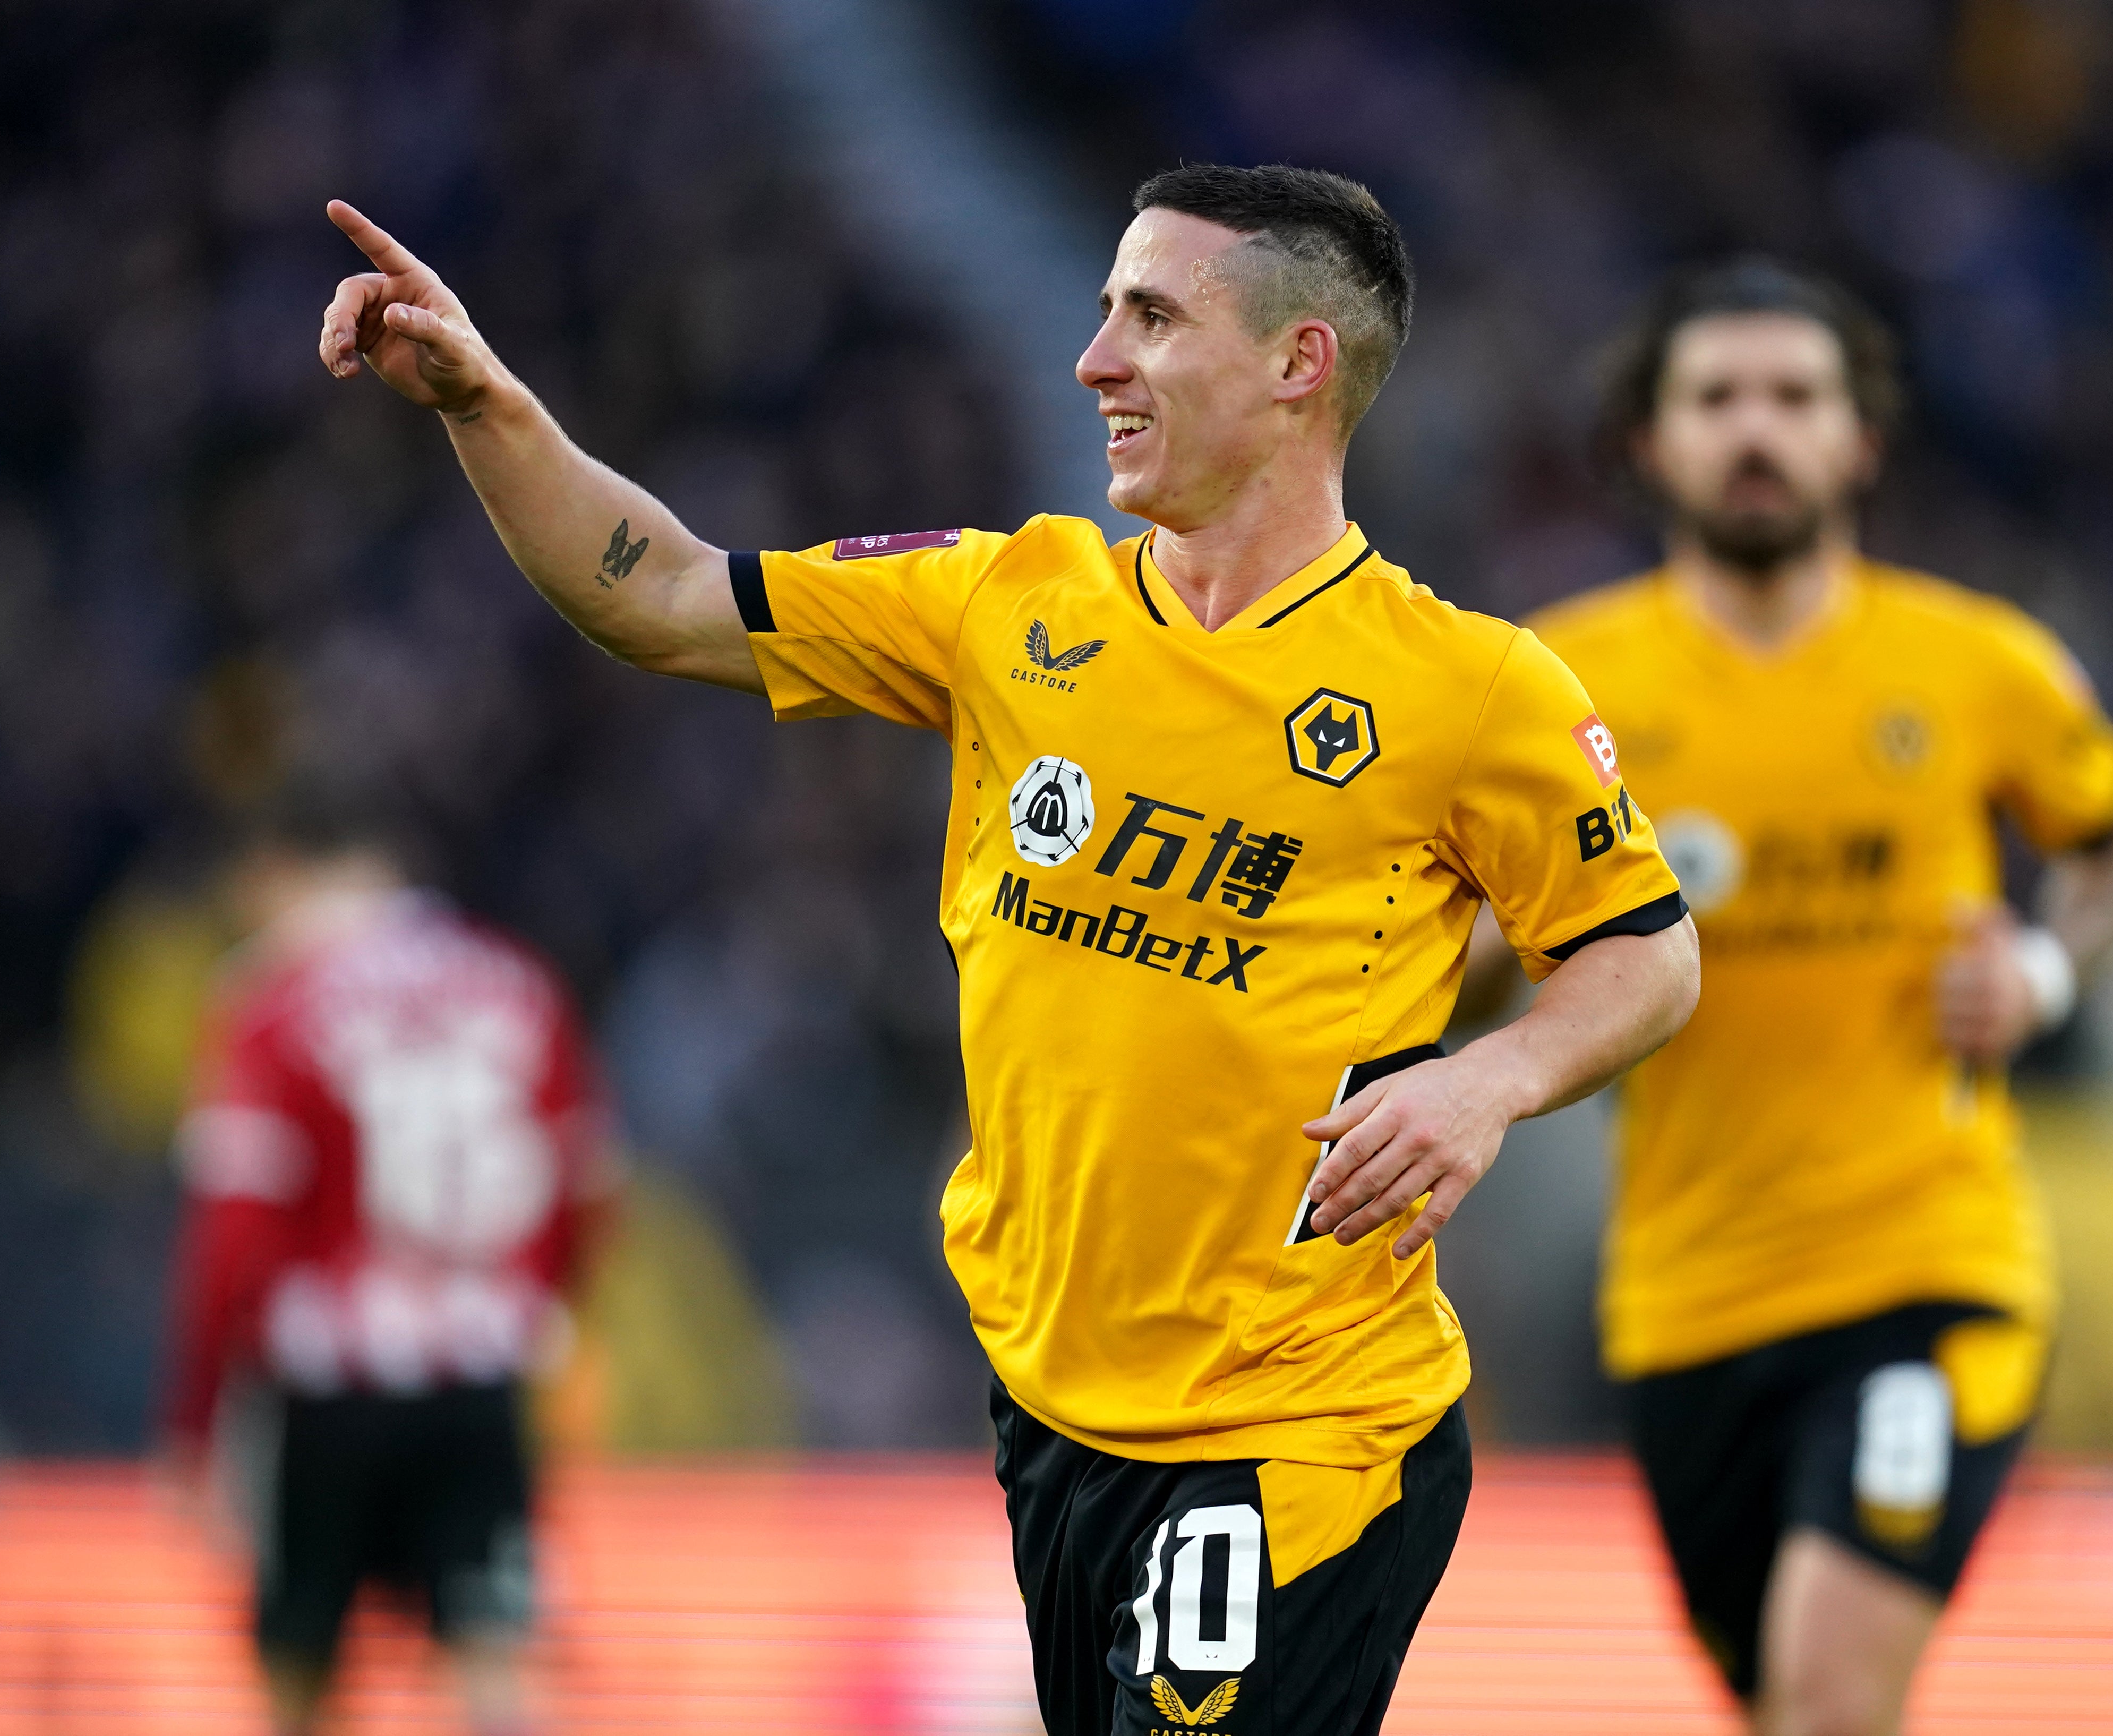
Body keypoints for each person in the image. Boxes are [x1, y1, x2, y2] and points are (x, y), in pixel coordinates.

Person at [315, 163, 1698, 1734]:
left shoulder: (1469, 688)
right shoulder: (1006, 600)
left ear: (1295, 365)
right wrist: (482, 406)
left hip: (1293, 1419)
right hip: (1055, 1409)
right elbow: (669, 596)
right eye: (1104, 308)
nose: (1092, 358)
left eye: (1150, 317)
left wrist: (1486, 1079)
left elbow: (1645, 952)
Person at [1518, 260, 2113, 1736]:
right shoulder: (1558, 683)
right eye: (1715, 399)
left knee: (1825, 1699)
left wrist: (2040, 965)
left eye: (1793, 398)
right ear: (1650, 441)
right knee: (1775, 1702)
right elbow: (1460, 936)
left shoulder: (1968, 664)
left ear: (1857, 440)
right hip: (1682, 1294)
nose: (1756, 429)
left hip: (1919, 1268)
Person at [162, 793, 620, 1736]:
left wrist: (196, 1415)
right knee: (492, 1664)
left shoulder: (272, 998)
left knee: (299, 1671)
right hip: (480, 1374)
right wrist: (538, 1309)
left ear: (276, 867)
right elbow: (589, 1189)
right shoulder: (518, 984)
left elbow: (231, 1238)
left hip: (329, 1383)